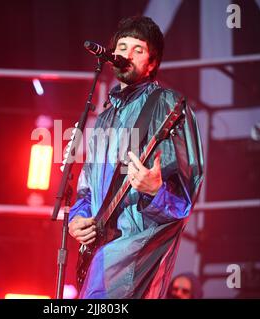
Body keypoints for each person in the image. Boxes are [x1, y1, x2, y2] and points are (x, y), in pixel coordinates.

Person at [68, 16, 204, 298]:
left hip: (137, 249)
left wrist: (156, 190)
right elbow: (87, 188)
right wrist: (78, 219)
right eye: (122, 46)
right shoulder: (104, 118)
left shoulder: (168, 105)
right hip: (100, 253)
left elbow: (185, 196)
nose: (127, 54)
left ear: (152, 63)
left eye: (138, 50)